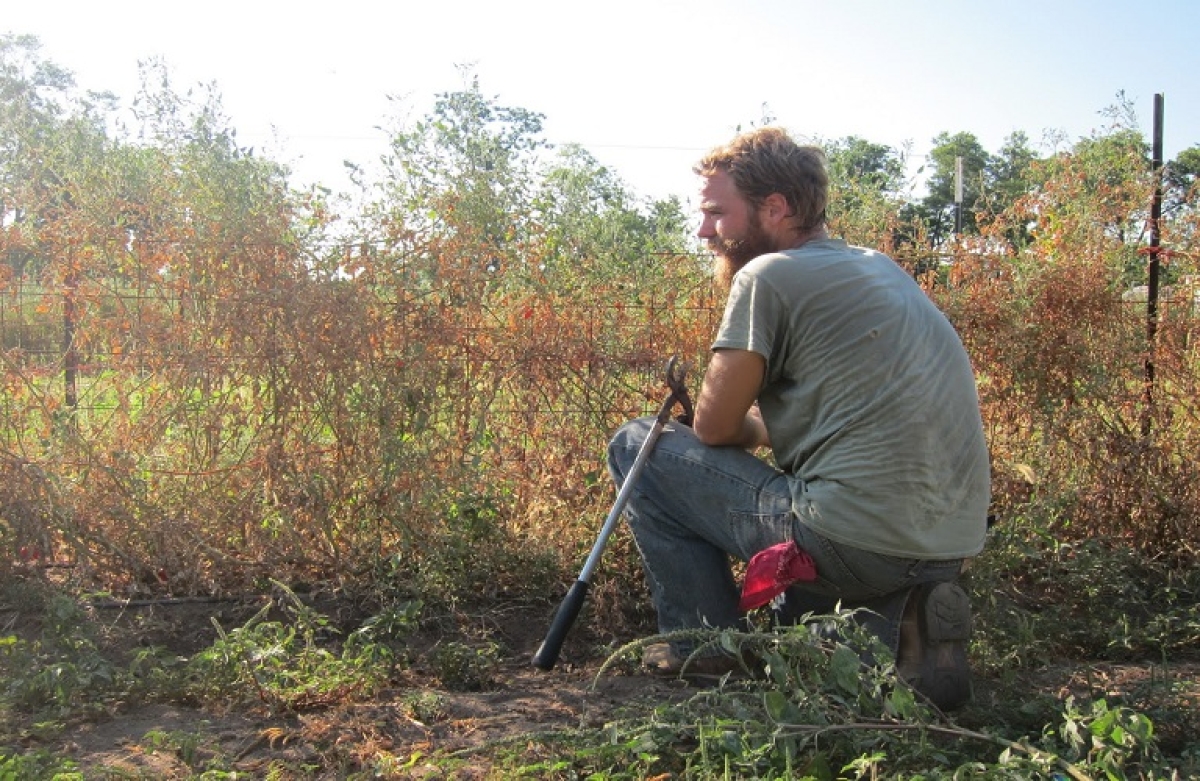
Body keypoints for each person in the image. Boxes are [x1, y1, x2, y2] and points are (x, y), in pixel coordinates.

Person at [606, 127, 991, 710]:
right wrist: (763, 427)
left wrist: (735, 430)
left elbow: (710, 429)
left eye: (716, 213)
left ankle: (704, 645)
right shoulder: (879, 268)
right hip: (947, 543)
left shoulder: (767, 276)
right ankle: (903, 626)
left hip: (846, 536)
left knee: (640, 445)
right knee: (811, 643)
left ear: (775, 208)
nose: (705, 230)